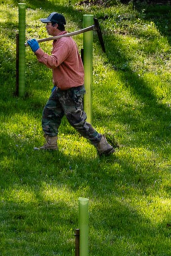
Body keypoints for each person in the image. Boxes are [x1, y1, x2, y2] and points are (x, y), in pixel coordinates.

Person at [26, 12, 115, 156]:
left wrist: (38, 51)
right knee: (49, 114)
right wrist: (57, 84)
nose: (46, 27)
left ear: (56, 25)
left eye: (48, 24)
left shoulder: (65, 42)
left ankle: (102, 145)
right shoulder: (59, 40)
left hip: (71, 90)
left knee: (77, 121)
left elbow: (54, 62)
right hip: (61, 88)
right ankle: (51, 145)